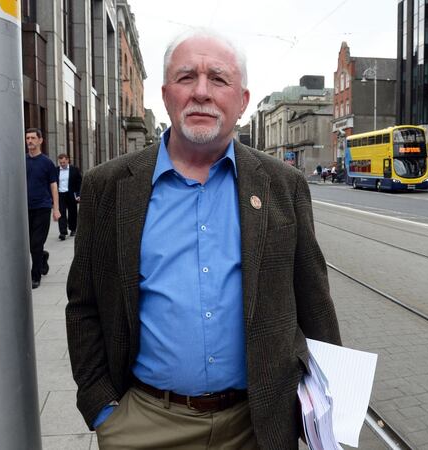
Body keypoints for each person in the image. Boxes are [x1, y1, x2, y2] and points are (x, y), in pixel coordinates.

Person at [65, 29, 341, 449]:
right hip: (144, 423)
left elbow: (315, 303)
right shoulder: (109, 187)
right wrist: (101, 405)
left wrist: (332, 407)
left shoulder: (282, 185)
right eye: (186, 77)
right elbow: (83, 305)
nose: (201, 92)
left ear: (243, 101)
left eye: (218, 78)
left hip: (258, 425)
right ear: (165, 94)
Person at [25, 128, 60, 289]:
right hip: (25, 208)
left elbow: (54, 186)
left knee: (36, 243)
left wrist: (56, 209)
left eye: (33, 138)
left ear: (40, 140)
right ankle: (43, 257)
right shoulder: (22, 161)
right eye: (27, 138)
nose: (30, 141)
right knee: (31, 244)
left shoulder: (47, 163)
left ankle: (35, 276)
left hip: (42, 207)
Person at [57, 153, 82, 240]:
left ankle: (73, 229)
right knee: (61, 213)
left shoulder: (74, 170)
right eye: (61, 163)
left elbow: (79, 182)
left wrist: (78, 194)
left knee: (72, 212)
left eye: (64, 162)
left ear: (67, 160)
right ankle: (62, 232)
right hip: (60, 194)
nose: (62, 164)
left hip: (71, 193)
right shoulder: (56, 170)